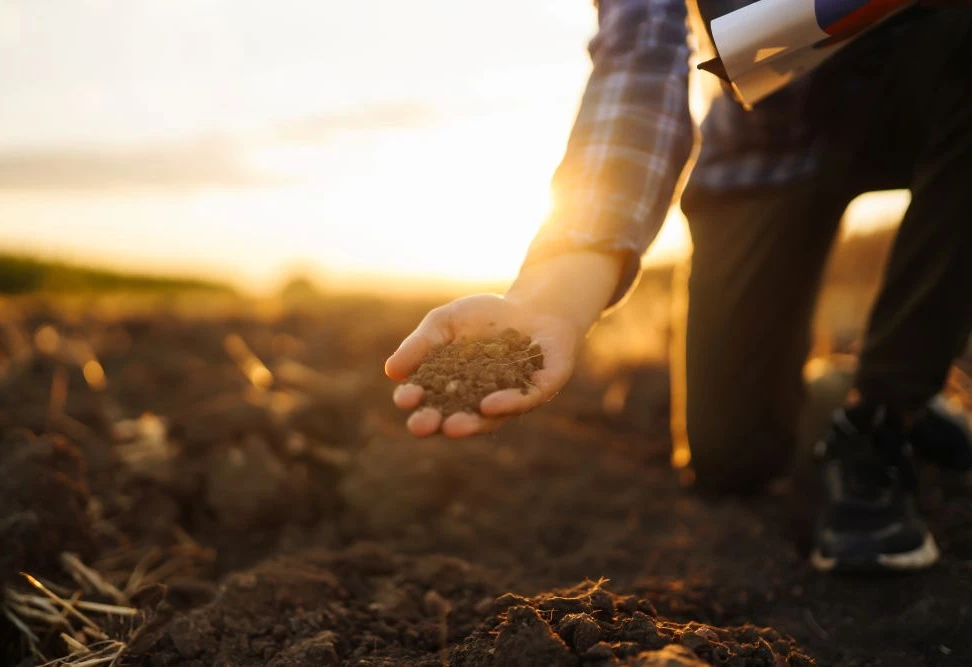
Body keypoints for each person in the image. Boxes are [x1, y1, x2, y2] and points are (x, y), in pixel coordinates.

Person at [385, 0, 972, 572]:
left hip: (930, 72)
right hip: (769, 137)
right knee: (732, 459)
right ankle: (843, 384)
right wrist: (552, 294)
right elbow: (640, 59)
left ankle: (885, 413)